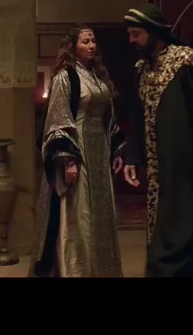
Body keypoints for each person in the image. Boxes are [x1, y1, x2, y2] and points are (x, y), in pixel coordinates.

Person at [122, 3, 193, 277]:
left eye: (136, 34)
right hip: (159, 173)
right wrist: (133, 155)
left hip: (189, 172)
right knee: (161, 234)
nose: (131, 40)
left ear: (154, 31)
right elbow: (137, 114)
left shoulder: (187, 64)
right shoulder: (143, 69)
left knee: (187, 237)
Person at [29, 24, 125, 277]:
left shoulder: (97, 77)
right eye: (85, 42)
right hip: (78, 154)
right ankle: (77, 270)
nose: (91, 46)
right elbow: (57, 120)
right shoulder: (65, 77)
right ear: (73, 47)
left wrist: (116, 150)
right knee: (78, 214)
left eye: (93, 41)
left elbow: (109, 119)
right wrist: (67, 159)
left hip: (99, 155)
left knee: (100, 214)